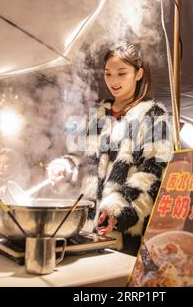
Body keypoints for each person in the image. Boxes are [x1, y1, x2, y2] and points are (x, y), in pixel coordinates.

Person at [47, 43, 173, 255]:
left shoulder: (153, 115)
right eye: (108, 74)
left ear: (138, 73)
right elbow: (81, 158)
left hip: (125, 232)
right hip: (87, 227)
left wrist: (119, 208)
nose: (113, 81)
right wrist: (65, 166)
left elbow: (155, 172)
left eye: (122, 73)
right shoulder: (97, 115)